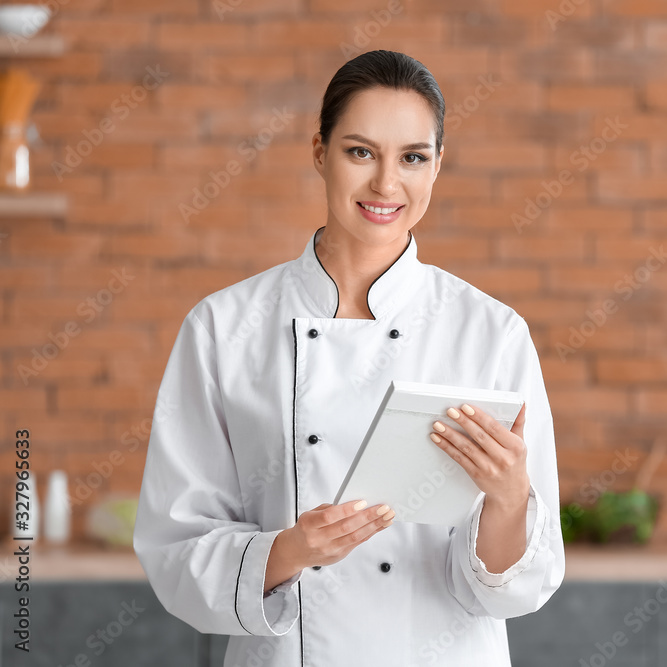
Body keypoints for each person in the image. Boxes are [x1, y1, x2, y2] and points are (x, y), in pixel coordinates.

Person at [132, 50, 565, 666]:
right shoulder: (224, 328)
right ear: (319, 152)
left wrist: (508, 500)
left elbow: (523, 584)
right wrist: (289, 550)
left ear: (437, 166)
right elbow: (175, 549)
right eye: (360, 152)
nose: (387, 185)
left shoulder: (492, 333)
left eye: (413, 158)